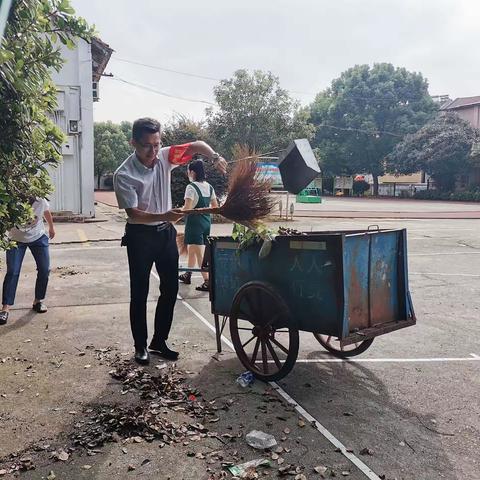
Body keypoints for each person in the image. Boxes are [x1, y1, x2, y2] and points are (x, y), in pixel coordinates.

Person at [113, 118, 226, 365]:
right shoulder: (124, 174)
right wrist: (165, 214)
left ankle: (159, 341)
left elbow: (197, 145)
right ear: (133, 142)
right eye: (147, 146)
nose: (153, 152)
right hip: (140, 237)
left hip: (165, 235)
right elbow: (133, 214)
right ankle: (140, 345)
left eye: (157, 144)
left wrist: (215, 157)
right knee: (139, 292)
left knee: (171, 289)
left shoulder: (165, 156)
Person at [0, 197, 55, 325]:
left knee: (44, 269)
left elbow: (46, 212)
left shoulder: (40, 201)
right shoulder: (12, 199)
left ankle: (38, 301)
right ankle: (5, 308)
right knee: (13, 271)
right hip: (16, 239)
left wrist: (51, 227)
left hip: (38, 236)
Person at [178, 159, 218, 292]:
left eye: (189, 171)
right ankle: (187, 274)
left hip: (194, 223)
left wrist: (176, 212)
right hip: (206, 222)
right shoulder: (209, 187)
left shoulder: (191, 187)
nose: (188, 174)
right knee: (192, 250)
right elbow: (215, 207)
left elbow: (187, 208)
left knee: (198, 253)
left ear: (193, 172)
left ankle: (207, 281)